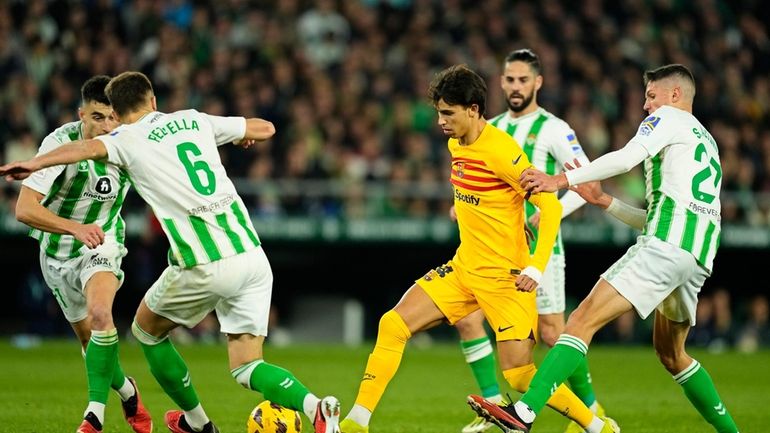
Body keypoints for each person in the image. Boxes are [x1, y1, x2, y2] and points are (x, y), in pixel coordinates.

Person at [0, 71, 341, 433]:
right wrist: (243, 137)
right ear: (153, 102)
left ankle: (197, 422)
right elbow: (265, 128)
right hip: (252, 257)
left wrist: (35, 163)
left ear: (116, 111)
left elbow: (84, 148)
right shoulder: (192, 119)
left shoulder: (125, 139)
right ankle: (315, 406)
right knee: (246, 367)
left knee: (145, 332)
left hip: (204, 262)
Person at [338, 65, 617, 433]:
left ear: (473, 110)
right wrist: (466, 206)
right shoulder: (456, 143)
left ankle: (597, 426)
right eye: (439, 112)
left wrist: (536, 267)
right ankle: (357, 422)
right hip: (465, 269)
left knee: (519, 377)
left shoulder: (502, 150)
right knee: (392, 324)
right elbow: (480, 189)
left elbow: (548, 206)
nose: (440, 121)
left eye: (448, 113)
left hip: (507, 279)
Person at [469, 64, 740, 433]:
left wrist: (559, 179)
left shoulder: (668, 119)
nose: (646, 106)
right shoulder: (706, 141)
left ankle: (524, 413)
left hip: (664, 248)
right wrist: (605, 202)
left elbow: (626, 158)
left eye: (651, 95)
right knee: (672, 355)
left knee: (580, 321)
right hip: (697, 255)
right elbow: (661, 214)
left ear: (675, 95)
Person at [455, 48, 604, 433]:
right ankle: (492, 403)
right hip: (493, 252)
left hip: (541, 250)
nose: (516, 86)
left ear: (538, 82)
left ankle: (593, 409)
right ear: (501, 82)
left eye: (524, 80)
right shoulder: (492, 129)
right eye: (510, 79)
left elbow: (587, 182)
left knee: (553, 333)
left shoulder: (554, 129)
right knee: (468, 318)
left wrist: (547, 212)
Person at [13, 75, 151, 433]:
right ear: (81, 115)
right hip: (57, 252)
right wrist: (74, 228)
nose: (105, 126)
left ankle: (94, 416)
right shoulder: (59, 143)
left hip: (103, 241)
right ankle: (126, 390)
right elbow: (24, 209)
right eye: (96, 117)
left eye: (110, 117)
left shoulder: (129, 142)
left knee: (101, 313)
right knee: (92, 342)